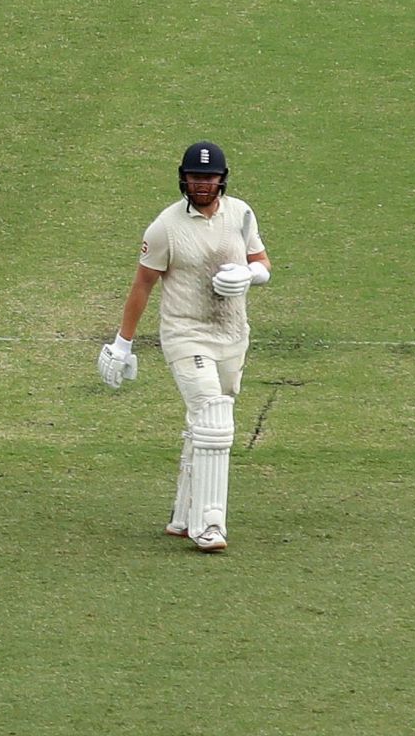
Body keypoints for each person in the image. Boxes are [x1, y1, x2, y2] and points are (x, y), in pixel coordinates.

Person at [99, 142, 272, 553]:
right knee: (214, 417)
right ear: (183, 178)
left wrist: (249, 275)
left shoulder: (241, 214)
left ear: (222, 179)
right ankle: (208, 525)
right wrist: (122, 344)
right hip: (185, 334)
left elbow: (263, 262)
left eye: (209, 178)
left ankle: (182, 515)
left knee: (211, 418)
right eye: (195, 177)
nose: (202, 184)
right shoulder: (165, 227)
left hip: (232, 334)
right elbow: (143, 284)